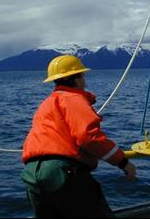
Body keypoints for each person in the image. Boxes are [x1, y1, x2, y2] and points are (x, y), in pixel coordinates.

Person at [20, 55, 136, 218]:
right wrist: (123, 162)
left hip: (33, 174)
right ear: (75, 78)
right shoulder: (73, 99)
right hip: (62, 172)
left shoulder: (47, 104)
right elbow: (89, 137)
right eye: (82, 75)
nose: (85, 81)